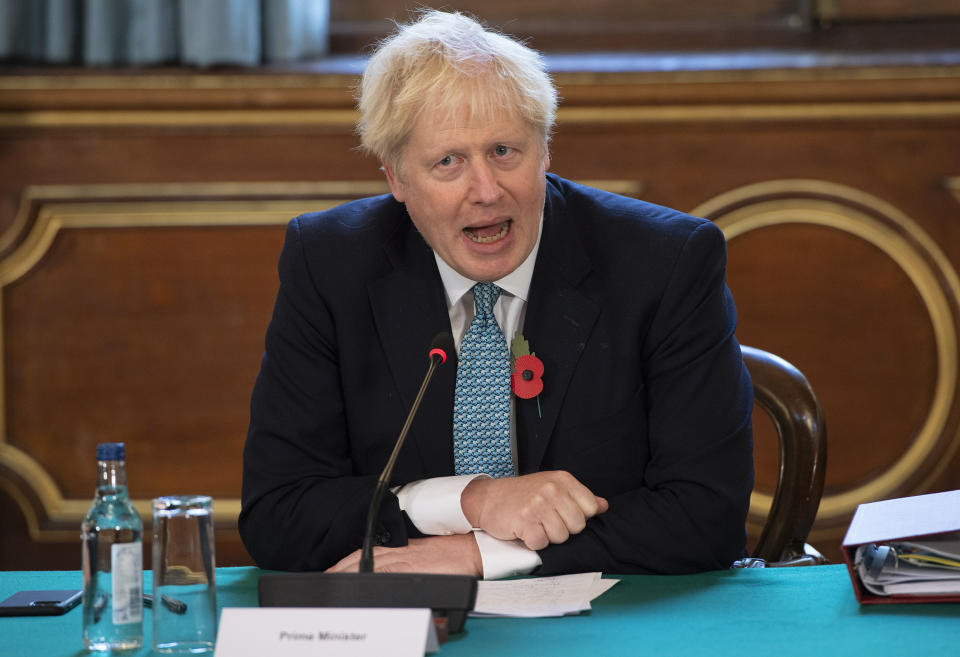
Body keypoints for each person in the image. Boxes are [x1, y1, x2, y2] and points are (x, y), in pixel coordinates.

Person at [239, 10, 754, 579]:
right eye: (447, 162)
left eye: (505, 151)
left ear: (546, 150)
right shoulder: (331, 264)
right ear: (397, 180)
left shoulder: (666, 263)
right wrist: (469, 500)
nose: (486, 191)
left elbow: (708, 515)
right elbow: (278, 514)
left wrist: (479, 555)